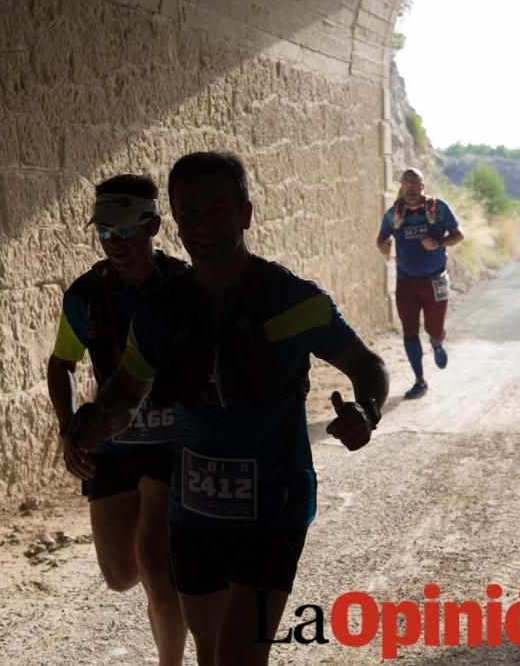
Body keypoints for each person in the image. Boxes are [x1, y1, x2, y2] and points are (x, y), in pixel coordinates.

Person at [65, 151, 389, 666]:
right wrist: (92, 424)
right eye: (188, 213)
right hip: (193, 514)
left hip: (275, 508)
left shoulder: (292, 300)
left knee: (238, 657)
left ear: (246, 214)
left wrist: (366, 410)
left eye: (216, 210)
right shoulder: (160, 313)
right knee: (211, 653)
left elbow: (367, 365)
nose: (202, 226)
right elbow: (125, 395)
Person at [47, 174, 187, 666]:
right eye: (104, 232)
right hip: (113, 446)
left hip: (173, 445)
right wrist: (70, 431)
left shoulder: (183, 288)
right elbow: (61, 363)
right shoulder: (85, 296)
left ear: (152, 226)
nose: (114, 243)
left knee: (155, 564)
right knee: (120, 574)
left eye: (125, 232)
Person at [376, 167, 464, 400]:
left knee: (434, 327)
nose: (411, 186)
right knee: (409, 331)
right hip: (406, 282)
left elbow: (458, 234)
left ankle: (436, 341)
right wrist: (383, 246)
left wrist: (439, 243)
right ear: (402, 187)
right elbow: (381, 239)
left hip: (435, 279)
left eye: (415, 183)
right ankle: (419, 380)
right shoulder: (394, 214)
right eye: (406, 182)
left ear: (422, 187)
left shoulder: (438, 208)